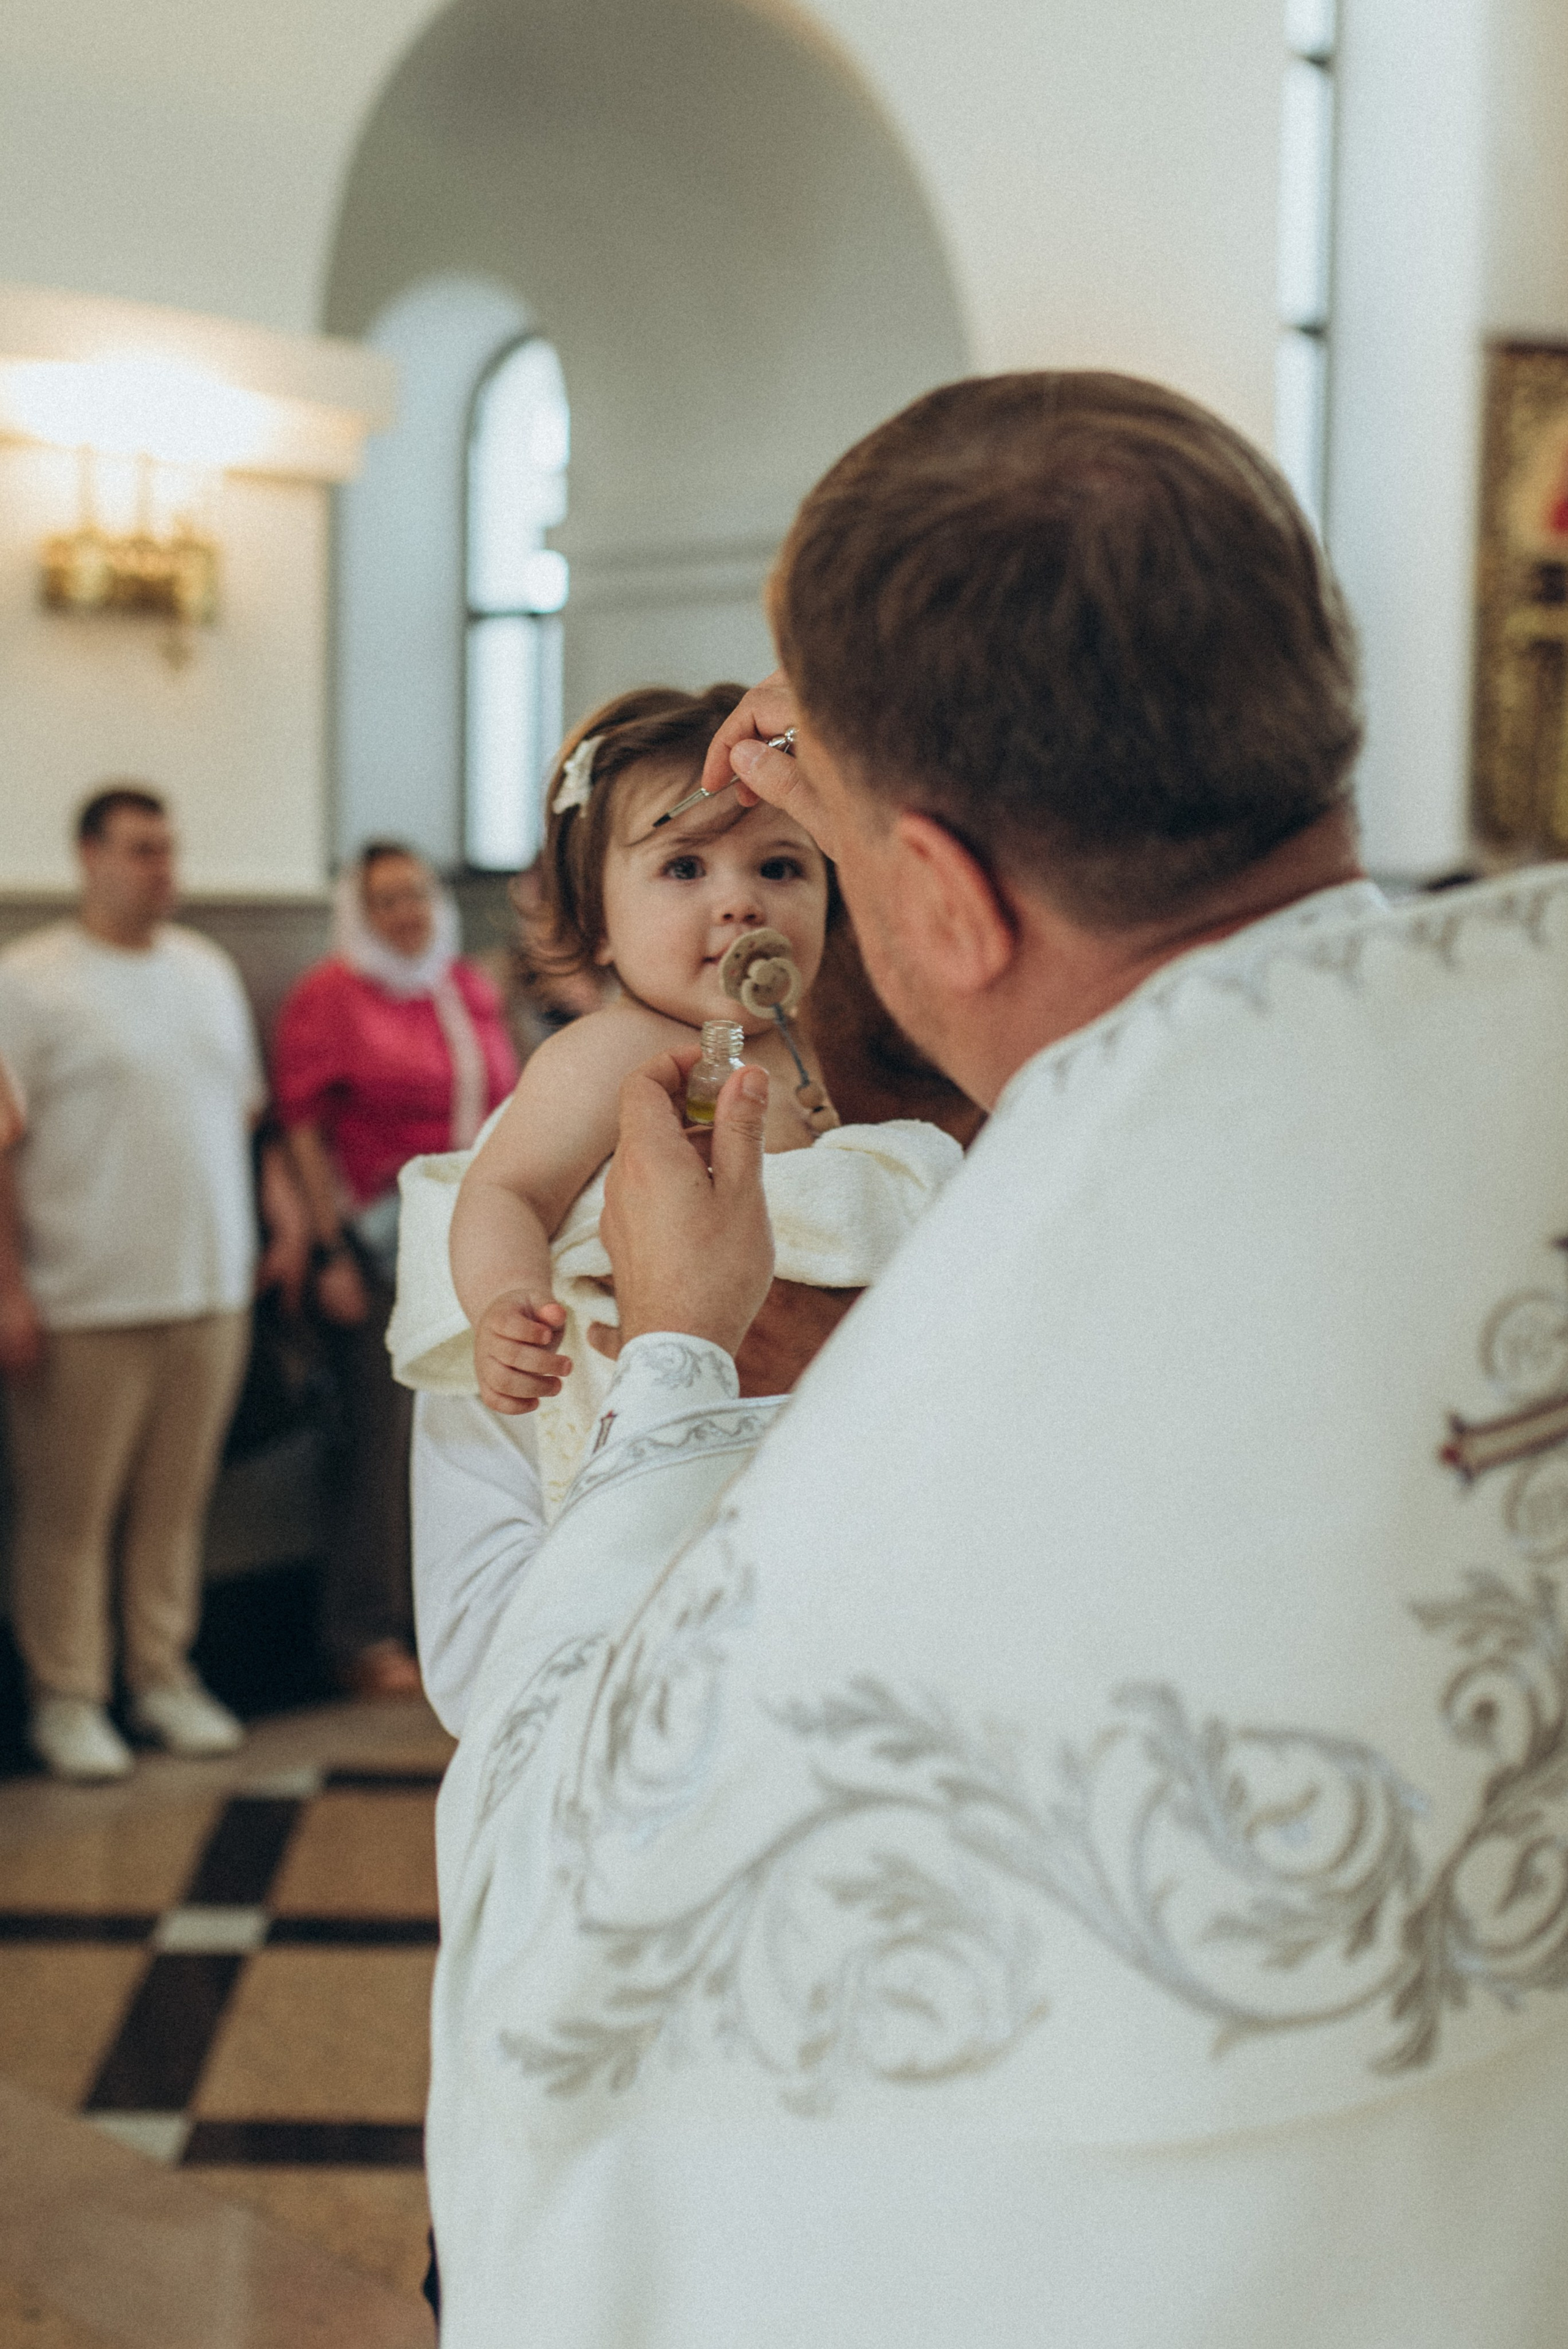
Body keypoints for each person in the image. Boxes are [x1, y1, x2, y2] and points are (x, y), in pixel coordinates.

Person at [420, 372, 1568, 2347]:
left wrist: (685, 1364)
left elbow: (567, 1925)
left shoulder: (958, 1349)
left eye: (817, 846)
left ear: (932, 893)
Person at [425, 683, 957, 1520]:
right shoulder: (614, 1050)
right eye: (684, 867)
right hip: (670, 1427)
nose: (743, 902)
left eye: (781, 867)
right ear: (597, 920)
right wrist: (506, 1300)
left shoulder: (793, 1047)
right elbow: (505, 1188)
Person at [0, 785, 263, 1781]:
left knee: (175, 1501)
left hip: (207, 1283)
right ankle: (67, 1696)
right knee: (71, 1512)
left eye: (170, 847)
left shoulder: (205, 967)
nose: (164, 867)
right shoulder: (29, 981)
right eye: (142, 849)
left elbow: (236, 1114)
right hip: (83, 1295)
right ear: (89, 856)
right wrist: (10, 1289)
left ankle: (162, 1674)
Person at [271, 841, 518, 1697]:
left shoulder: (462, 986)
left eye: (416, 894)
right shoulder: (332, 996)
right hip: (380, 1247)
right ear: (359, 911)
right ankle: (366, 1630)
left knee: (462, 1434)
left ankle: (446, 1613)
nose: (406, 913)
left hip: (471, 1237)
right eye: (386, 901)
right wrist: (329, 1249)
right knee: (381, 1447)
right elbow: (300, 1126)